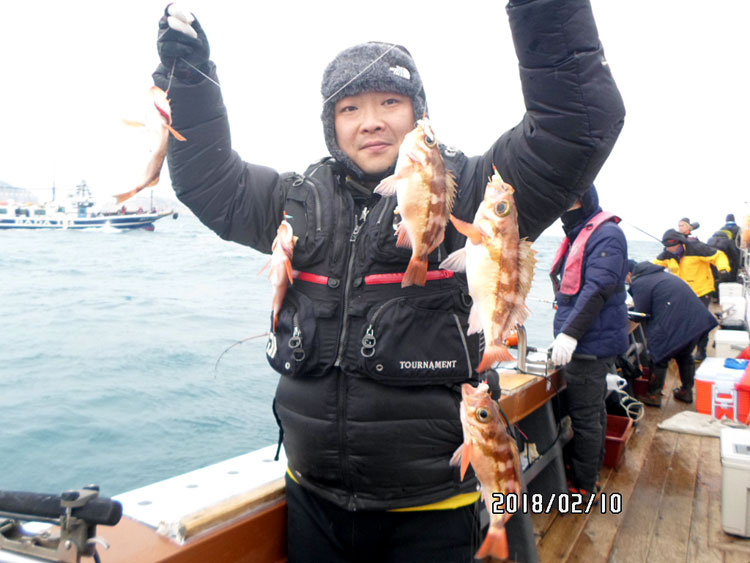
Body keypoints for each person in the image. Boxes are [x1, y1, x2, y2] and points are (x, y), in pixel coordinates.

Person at [154, 1, 625, 560]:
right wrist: (188, 79)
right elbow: (208, 180)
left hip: (432, 512)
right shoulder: (296, 201)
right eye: (350, 107)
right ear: (331, 125)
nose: (370, 121)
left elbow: (577, 129)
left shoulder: (472, 192)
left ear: (419, 114)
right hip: (311, 501)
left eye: (390, 102)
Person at [549, 187, 628, 496]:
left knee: (585, 417)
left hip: (589, 346)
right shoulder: (582, 233)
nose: (563, 208)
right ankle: (591, 474)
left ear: (584, 201)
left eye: (569, 201)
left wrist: (570, 334)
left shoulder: (606, 235)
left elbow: (598, 287)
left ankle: (583, 485)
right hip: (590, 341)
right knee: (594, 412)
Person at [627, 261, 719, 406]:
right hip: (697, 320)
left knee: (659, 356)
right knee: (684, 354)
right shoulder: (664, 275)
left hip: (677, 323)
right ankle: (686, 391)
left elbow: (642, 312)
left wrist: (627, 313)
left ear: (630, 274)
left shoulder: (640, 282)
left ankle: (654, 395)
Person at [654, 229, 729, 362]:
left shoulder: (697, 249)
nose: (670, 250)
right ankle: (681, 349)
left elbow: (719, 255)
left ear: (680, 243)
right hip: (682, 293)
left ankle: (701, 351)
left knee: (700, 322)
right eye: (667, 247)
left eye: (672, 247)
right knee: (681, 321)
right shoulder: (667, 254)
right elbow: (653, 266)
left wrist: (723, 269)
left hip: (702, 290)